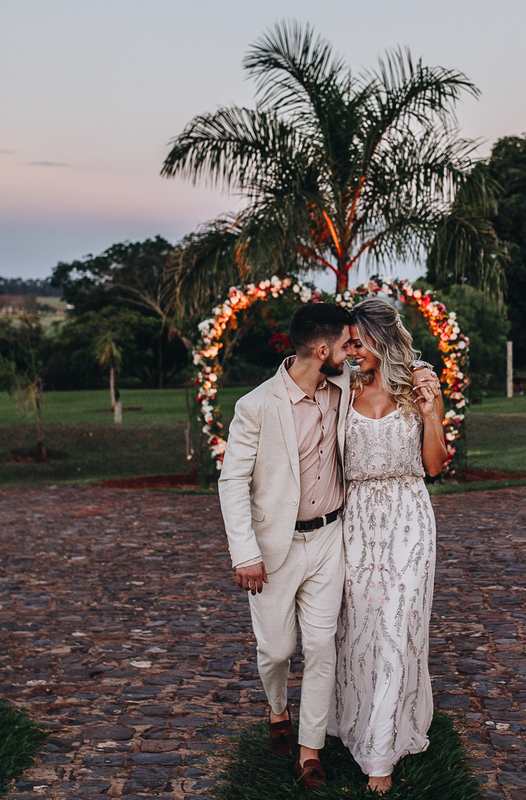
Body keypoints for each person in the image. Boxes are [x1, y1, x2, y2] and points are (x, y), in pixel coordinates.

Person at [218, 302, 355, 791]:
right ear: (322, 350)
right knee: (277, 650)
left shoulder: (345, 387)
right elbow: (232, 481)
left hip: (330, 538)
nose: (351, 352)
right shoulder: (255, 405)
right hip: (274, 547)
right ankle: (277, 709)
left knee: (320, 646)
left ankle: (309, 751)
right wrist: (245, 553)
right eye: (346, 345)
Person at [331, 297, 446, 793]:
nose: (352, 351)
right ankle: (358, 719)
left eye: (359, 342)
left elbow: (435, 465)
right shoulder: (341, 387)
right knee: (361, 628)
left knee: (399, 623)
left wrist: (430, 412)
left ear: (382, 338)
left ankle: (380, 755)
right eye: (348, 343)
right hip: (356, 522)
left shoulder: (420, 382)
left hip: (409, 517)